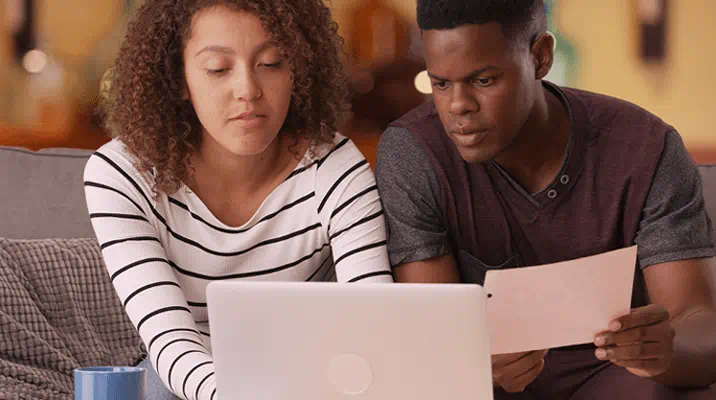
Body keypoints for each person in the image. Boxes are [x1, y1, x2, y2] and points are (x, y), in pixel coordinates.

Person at [375, 0, 716, 399]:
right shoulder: (414, 154)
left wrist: (666, 349)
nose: (458, 106)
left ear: (541, 57)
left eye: (483, 80)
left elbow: (698, 324)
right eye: (441, 83)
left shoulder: (644, 148)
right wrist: (469, 364)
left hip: (619, 379)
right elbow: (432, 337)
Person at [84, 1, 393, 399]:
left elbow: (374, 325)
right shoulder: (122, 173)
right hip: (186, 379)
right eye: (218, 68)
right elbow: (171, 344)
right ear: (178, 77)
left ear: (297, 69)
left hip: (310, 378)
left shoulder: (334, 168)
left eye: (272, 63)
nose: (248, 89)